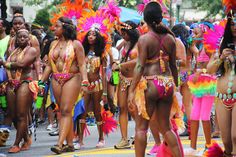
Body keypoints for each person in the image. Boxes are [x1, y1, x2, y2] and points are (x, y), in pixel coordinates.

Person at [128, 2, 182, 157]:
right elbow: (173, 66)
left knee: (141, 128)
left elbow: (139, 67)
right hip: (167, 83)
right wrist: (175, 87)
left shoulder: (144, 39)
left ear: (145, 18)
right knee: (166, 128)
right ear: (159, 18)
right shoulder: (170, 39)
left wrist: (131, 90)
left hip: (151, 83)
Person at [40, 17, 88, 154]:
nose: (53, 28)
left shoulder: (76, 44)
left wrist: (85, 80)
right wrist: (40, 82)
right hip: (55, 78)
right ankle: (70, 143)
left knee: (66, 110)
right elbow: (49, 65)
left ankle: (59, 144)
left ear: (65, 28)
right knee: (62, 111)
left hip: (72, 77)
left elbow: (82, 64)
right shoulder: (52, 44)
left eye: (57, 26)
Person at [0, 29, 38, 153]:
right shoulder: (13, 51)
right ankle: (26, 139)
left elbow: (21, 64)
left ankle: (16, 144)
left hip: (24, 83)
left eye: (24, 37)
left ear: (29, 39)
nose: (22, 39)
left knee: (22, 115)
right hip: (11, 84)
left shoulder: (31, 50)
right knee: (14, 115)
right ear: (16, 39)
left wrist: (6, 64)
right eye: (19, 37)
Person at [207, 10, 236, 157]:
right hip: (221, 97)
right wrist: (221, 58)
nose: (235, 27)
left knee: (235, 136)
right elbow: (210, 69)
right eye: (232, 24)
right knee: (226, 141)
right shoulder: (221, 45)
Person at [184, 23, 216, 155]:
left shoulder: (209, 47)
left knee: (204, 116)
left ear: (204, 30)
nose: (194, 30)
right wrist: (194, 37)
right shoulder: (200, 46)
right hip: (198, 82)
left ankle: (208, 146)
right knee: (194, 116)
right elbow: (190, 44)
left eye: (197, 28)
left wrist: (201, 71)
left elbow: (212, 65)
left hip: (207, 82)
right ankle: (193, 147)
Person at [78, 27, 107, 148]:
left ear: (98, 37)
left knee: (97, 111)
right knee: (82, 111)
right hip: (84, 85)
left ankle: (101, 138)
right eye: (89, 34)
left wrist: (105, 92)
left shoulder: (102, 52)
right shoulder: (82, 51)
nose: (91, 36)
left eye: (94, 35)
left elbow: (104, 73)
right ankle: (80, 141)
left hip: (97, 84)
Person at [113, 21, 139, 149]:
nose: (122, 35)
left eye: (124, 33)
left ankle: (140, 133)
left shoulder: (140, 43)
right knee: (122, 108)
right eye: (121, 33)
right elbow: (115, 52)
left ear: (131, 32)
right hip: (123, 79)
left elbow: (138, 60)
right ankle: (124, 139)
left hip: (135, 80)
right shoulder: (125, 42)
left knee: (133, 108)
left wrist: (121, 65)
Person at [171, 24, 192, 138]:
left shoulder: (176, 42)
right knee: (188, 104)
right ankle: (191, 130)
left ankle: (176, 128)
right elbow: (196, 55)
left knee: (176, 104)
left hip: (179, 75)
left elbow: (180, 61)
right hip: (188, 74)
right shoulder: (189, 43)